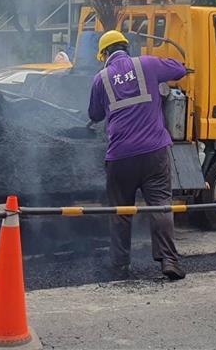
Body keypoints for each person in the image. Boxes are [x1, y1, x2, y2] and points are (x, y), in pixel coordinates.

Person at [88, 30, 188, 280]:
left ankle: (120, 265)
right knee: (161, 206)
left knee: (121, 211)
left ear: (104, 55)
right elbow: (179, 70)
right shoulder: (147, 64)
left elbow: (95, 114)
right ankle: (169, 261)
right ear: (126, 47)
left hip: (120, 156)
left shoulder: (101, 78)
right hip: (154, 152)